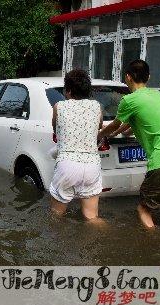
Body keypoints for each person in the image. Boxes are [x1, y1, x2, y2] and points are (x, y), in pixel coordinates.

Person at [98, 60, 160, 229]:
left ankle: (151, 244)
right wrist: (123, 132)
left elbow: (114, 124)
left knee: (143, 209)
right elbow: (133, 120)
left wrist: (99, 135)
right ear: (148, 77)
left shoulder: (129, 100)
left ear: (127, 77)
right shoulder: (157, 95)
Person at [50, 69, 103, 221]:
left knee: (56, 217)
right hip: (92, 166)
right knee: (92, 218)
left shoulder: (58, 106)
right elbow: (98, 127)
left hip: (67, 165)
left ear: (68, 90)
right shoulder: (96, 106)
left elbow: (56, 129)